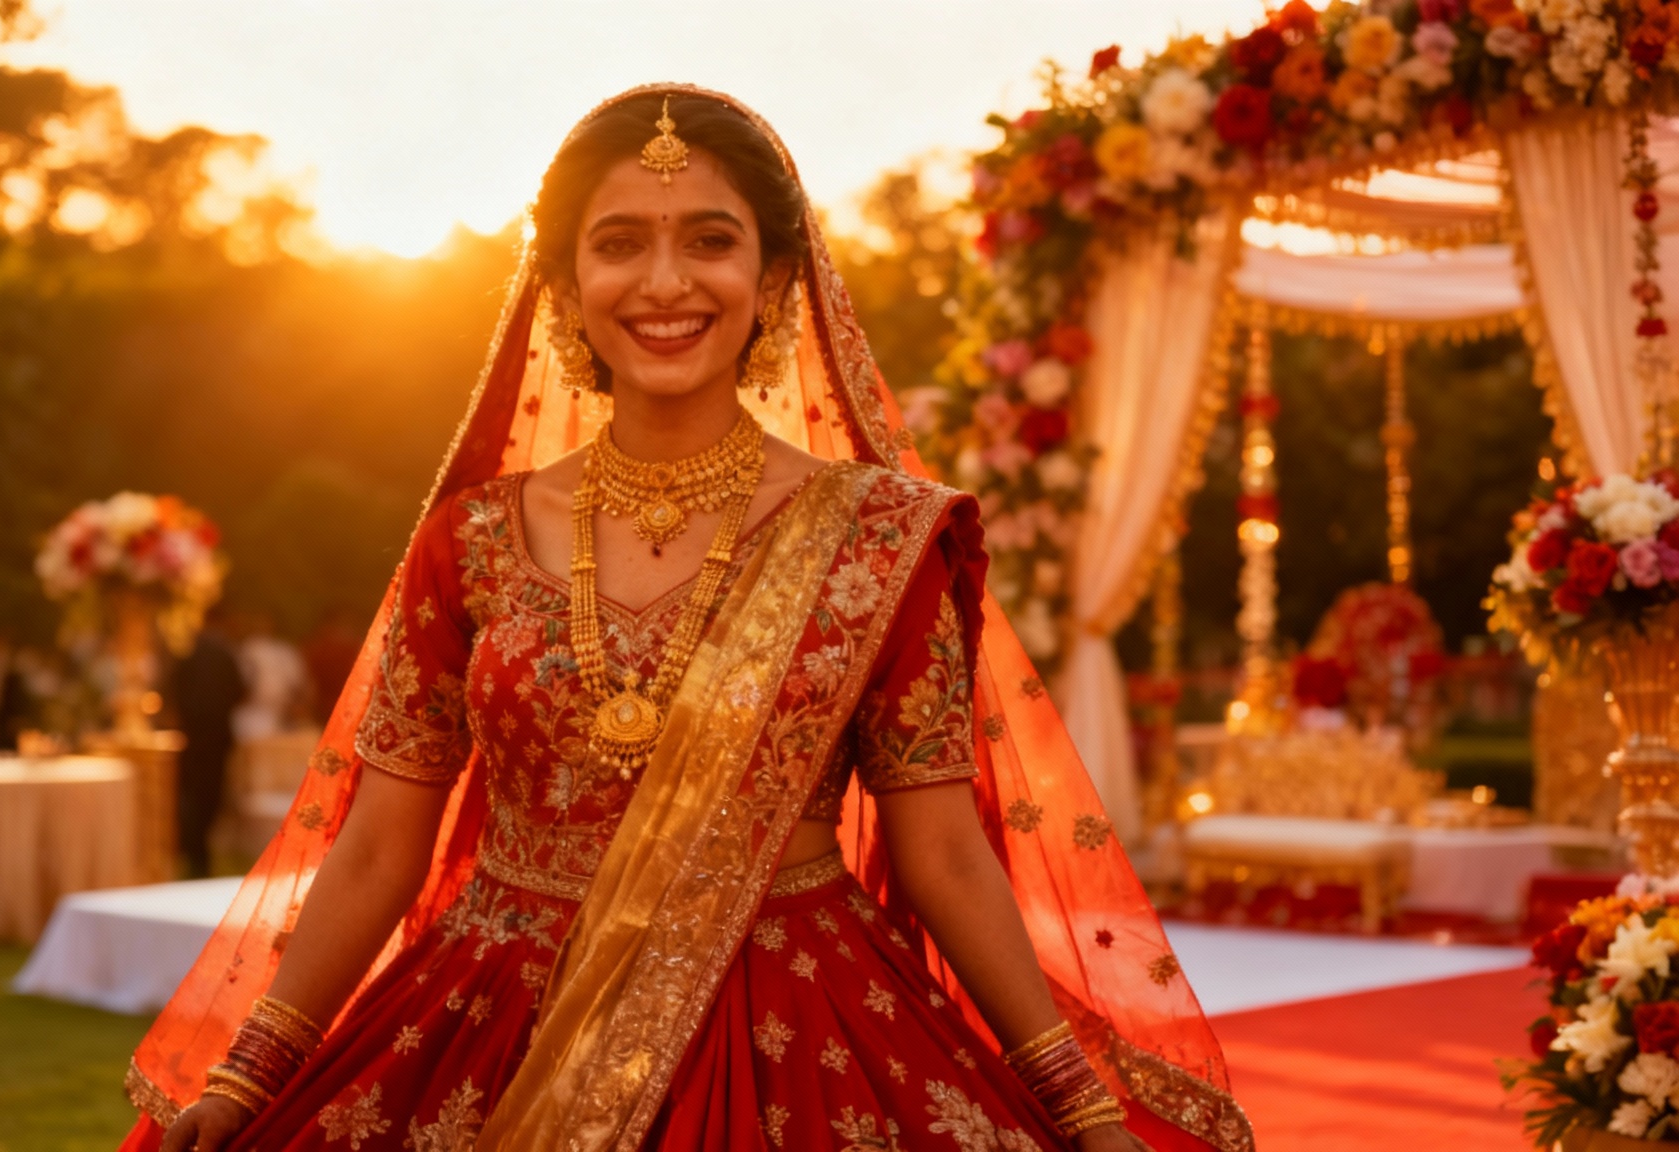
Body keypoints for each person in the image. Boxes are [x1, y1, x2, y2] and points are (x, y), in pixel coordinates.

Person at [127, 87, 1250, 1152]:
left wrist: (1075, 1100)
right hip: (494, 1017)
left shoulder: (877, 538)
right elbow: (379, 843)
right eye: (618, 242)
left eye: (709, 239)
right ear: (562, 285)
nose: (664, 281)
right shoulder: (468, 539)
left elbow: (944, 852)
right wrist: (250, 1072)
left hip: (797, 1016)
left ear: (772, 278)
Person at [169, 607, 247, 878]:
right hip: (216, 736)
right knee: (208, 797)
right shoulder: (226, 652)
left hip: (190, 735)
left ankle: (194, 850)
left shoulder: (187, 651)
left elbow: (173, 688)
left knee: (189, 794)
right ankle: (198, 852)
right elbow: (241, 691)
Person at [233, 614, 308, 745]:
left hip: (284, 716)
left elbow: (298, 683)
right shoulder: (245, 650)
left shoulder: (284, 651)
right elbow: (241, 683)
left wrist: (296, 708)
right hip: (253, 715)